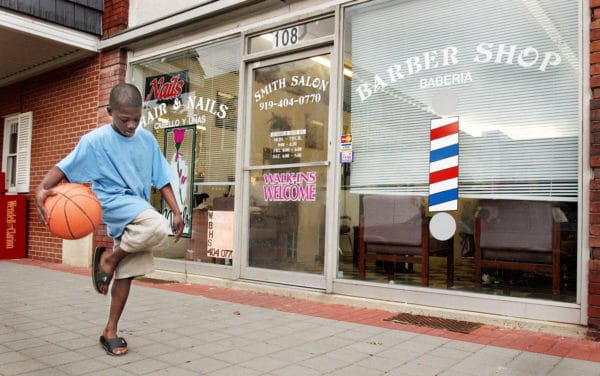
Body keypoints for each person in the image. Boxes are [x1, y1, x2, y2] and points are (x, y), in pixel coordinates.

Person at [35, 83, 183, 356]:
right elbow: (64, 167)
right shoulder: (95, 141)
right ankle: (108, 260)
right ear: (109, 111)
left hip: (137, 207)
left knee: (126, 273)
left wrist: (177, 210)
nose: (131, 125)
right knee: (157, 226)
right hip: (111, 203)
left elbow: (161, 178)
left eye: (136, 119)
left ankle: (110, 331)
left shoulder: (146, 140)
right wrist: (42, 189)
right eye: (124, 119)